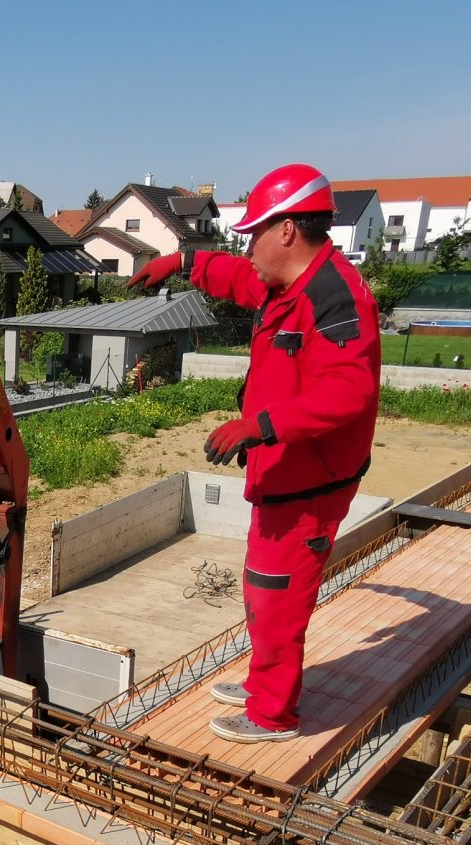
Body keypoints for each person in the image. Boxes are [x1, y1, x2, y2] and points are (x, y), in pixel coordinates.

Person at [129, 163, 380, 744]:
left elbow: (350, 390)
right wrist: (187, 263)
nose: (249, 244)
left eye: (255, 233)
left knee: (278, 590)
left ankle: (272, 715)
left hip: (308, 480)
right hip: (286, 470)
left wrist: (260, 426)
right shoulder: (293, 284)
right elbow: (241, 281)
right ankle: (266, 682)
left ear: (287, 230)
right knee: (263, 582)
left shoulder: (334, 297)